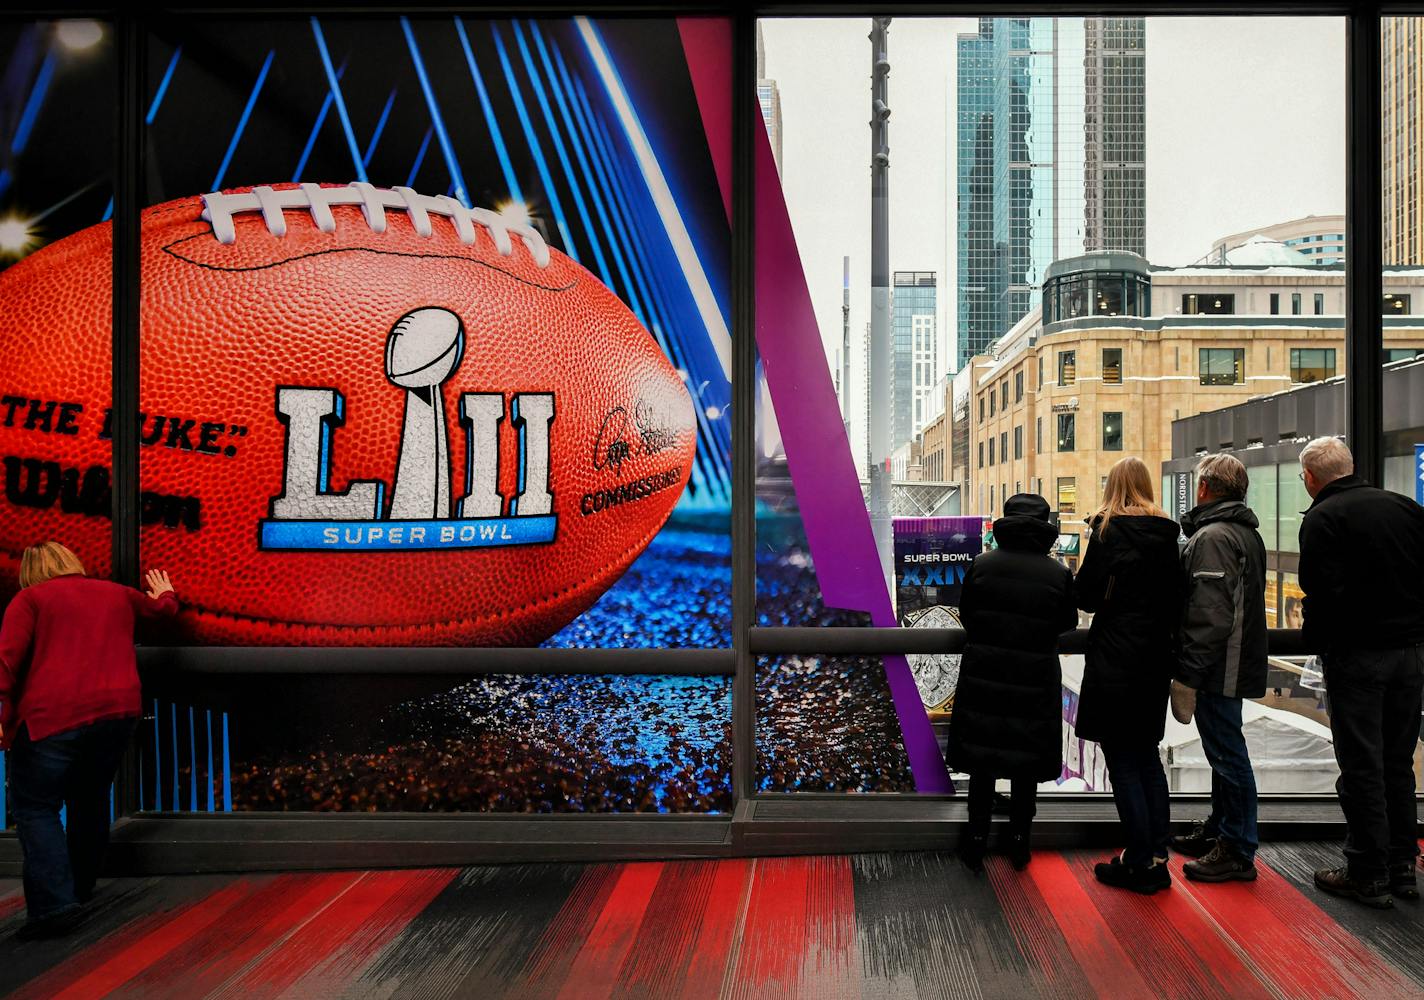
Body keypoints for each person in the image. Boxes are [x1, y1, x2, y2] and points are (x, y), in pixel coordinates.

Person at [0, 542, 177, 939]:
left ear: (30, 570)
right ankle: (80, 888)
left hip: (53, 717)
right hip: (116, 715)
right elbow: (162, 612)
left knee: (35, 809)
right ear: (71, 562)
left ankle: (54, 907)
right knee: (90, 799)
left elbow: (6, 660)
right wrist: (165, 593)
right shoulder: (115, 593)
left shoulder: (29, 600)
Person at [1297, 436, 1424, 908]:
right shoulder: (1406, 508)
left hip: (1358, 657)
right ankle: (1401, 867)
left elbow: (1321, 593)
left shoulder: (1324, 519)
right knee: (1397, 763)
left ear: (1311, 478)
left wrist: (1322, 641)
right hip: (1410, 654)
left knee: (1362, 765)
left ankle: (1367, 872)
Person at [947, 493, 1077, 872]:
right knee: (1026, 765)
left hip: (985, 674)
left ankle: (975, 841)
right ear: (1044, 529)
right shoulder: (1057, 574)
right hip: (1034, 679)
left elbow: (967, 613)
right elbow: (1067, 622)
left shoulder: (982, 565)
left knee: (982, 764)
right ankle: (1020, 841)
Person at [1075, 458, 1184, 894]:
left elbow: (1085, 596)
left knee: (1122, 760)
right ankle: (1157, 856)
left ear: (1113, 487)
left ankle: (1138, 861)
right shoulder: (1167, 536)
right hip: (1155, 659)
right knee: (1147, 757)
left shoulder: (1106, 531)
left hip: (1115, 657)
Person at [1169, 453, 1268, 882]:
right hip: (1234, 660)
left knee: (1228, 755)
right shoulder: (1245, 534)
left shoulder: (1212, 537)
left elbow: (1209, 615)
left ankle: (1237, 848)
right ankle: (1222, 831)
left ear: (1205, 488)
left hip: (1218, 667)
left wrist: (1187, 674)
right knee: (1223, 752)